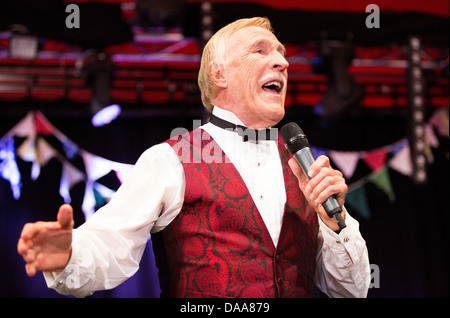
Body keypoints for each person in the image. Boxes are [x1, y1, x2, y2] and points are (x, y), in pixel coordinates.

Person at [17, 17, 370, 298]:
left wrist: (333, 223)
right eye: (261, 51)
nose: (282, 62)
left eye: (280, 53)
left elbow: (351, 290)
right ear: (219, 74)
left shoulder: (302, 166)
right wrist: (67, 257)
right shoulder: (170, 160)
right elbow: (110, 245)